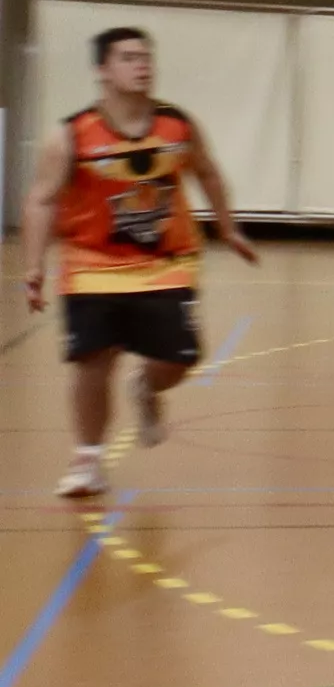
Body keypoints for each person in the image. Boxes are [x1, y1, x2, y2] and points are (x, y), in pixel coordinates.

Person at [20, 26, 260, 500]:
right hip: (92, 263)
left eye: (146, 57)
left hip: (165, 262)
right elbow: (42, 200)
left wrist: (228, 227)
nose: (142, 65)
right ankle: (87, 459)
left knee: (179, 359)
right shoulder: (71, 135)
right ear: (102, 70)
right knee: (92, 360)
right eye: (129, 58)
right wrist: (33, 266)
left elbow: (208, 173)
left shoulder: (177, 126)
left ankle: (146, 388)